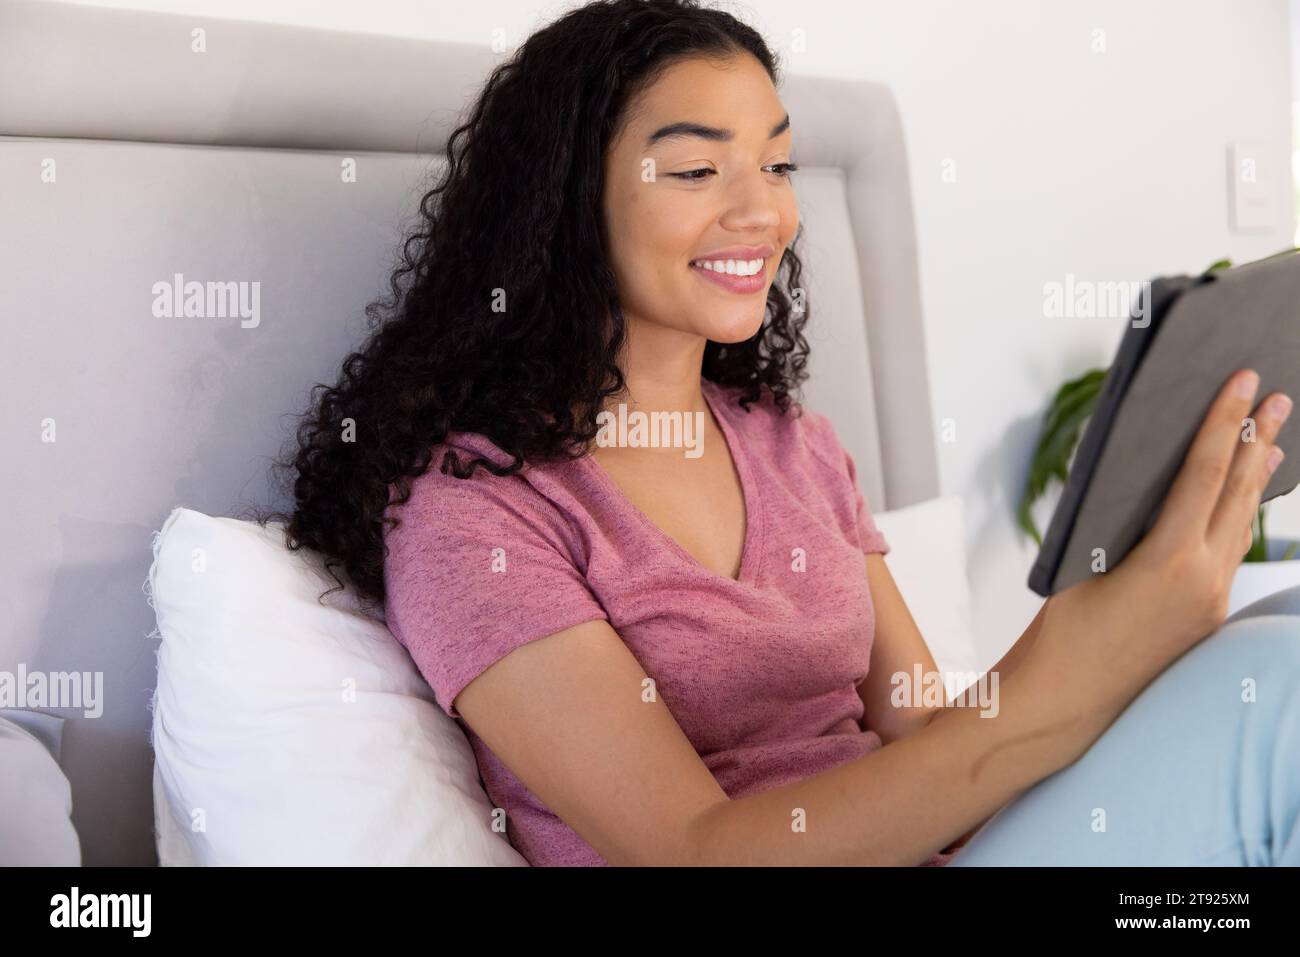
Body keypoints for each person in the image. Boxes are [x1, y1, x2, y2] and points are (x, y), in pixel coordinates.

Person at [269, 0, 1298, 865]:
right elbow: (692, 849)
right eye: (695, 171)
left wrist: (1121, 637)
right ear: (565, 203)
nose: (760, 210)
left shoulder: (791, 444)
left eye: (777, 165)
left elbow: (934, 742)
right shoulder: (477, 513)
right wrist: (1071, 661)